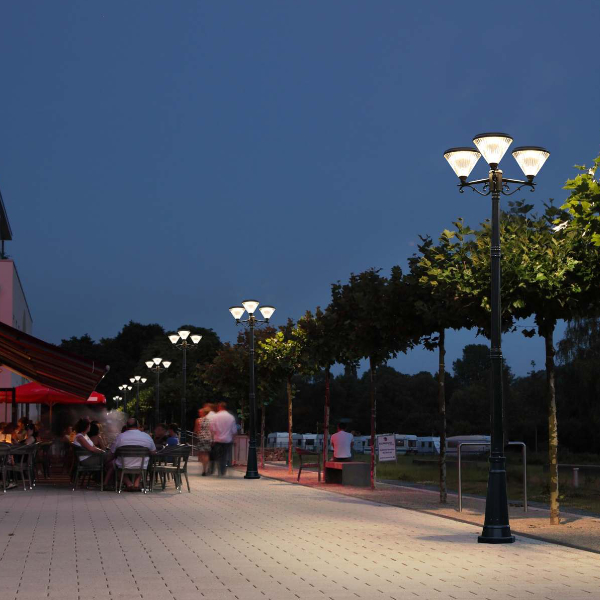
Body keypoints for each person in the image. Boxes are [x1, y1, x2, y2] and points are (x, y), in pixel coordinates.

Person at [107, 417, 156, 490]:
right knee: (144, 465)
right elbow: (153, 452)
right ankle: (136, 485)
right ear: (138, 426)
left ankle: (129, 484)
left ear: (126, 426)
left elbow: (112, 451)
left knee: (115, 466)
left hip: (124, 464)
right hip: (141, 464)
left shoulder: (120, 437)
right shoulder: (147, 436)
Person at [209, 402, 237, 476]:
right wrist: (233, 439)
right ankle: (223, 469)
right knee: (225, 455)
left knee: (218, 455)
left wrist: (212, 439)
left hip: (217, 439)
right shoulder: (231, 417)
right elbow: (234, 430)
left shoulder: (215, 416)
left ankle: (219, 469)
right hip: (227, 440)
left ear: (219, 407)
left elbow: (212, 429)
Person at [194, 408, 212, 475]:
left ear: (203, 413)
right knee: (206, 453)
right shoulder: (209, 420)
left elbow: (196, 430)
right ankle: (205, 469)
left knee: (201, 453)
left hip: (201, 438)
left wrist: (196, 434)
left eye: (200, 412)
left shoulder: (198, 420)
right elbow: (211, 429)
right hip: (208, 438)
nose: (199, 413)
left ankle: (203, 467)